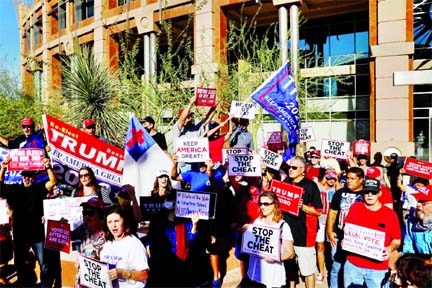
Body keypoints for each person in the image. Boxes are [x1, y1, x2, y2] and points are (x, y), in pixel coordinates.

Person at [0, 157, 57, 287]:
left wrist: (48, 166)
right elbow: (0, 185)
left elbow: (53, 181)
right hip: (20, 235)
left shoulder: (40, 188)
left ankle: (45, 285)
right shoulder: (14, 189)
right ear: (21, 177)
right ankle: (23, 285)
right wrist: (3, 169)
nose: (26, 178)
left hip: (38, 235)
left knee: (44, 264)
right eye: (24, 175)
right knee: (20, 264)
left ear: (34, 176)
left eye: (29, 175)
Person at [343, 178, 401, 287]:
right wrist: (345, 240)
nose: (370, 195)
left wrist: (389, 248)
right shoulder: (355, 208)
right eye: (366, 192)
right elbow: (346, 228)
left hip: (378, 269)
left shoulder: (390, 214)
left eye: (373, 192)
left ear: (379, 193)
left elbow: (397, 240)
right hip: (353, 265)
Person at [283, 156, 322, 288]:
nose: (290, 170)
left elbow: (318, 211)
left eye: (294, 167)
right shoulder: (285, 182)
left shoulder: (311, 185)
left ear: (302, 169)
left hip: (305, 235)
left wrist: (302, 207)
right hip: (287, 234)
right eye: (289, 167)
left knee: (307, 271)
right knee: (289, 268)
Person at [145, 193, 200, 287]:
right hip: (162, 261)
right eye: (170, 201)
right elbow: (151, 236)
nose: (173, 204)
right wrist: (148, 247)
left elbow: (191, 238)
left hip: (181, 260)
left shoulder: (185, 220)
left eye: (175, 202)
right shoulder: (158, 219)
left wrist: (195, 225)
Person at [245, 191, 295, 288]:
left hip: (272, 276)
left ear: (275, 205)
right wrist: (247, 231)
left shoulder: (283, 226)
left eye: (266, 204)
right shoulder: (258, 221)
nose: (262, 207)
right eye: (260, 203)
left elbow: (290, 253)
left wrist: (275, 258)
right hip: (255, 274)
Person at [326, 167, 364, 288]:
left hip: (357, 238)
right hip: (338, 236)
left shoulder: (366, 194)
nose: (349, 181)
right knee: (336, 266)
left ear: (361, 179)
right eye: (347, 178)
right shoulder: (339, 193)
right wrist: (329, 231)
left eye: (352, 179)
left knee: (354, 269)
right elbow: (332, 213)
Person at [100, 205, 150, 287]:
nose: (113, 225)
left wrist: (123, 273)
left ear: (124, 221)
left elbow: (144, 275)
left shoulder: (134, 244)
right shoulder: (107, 244)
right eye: (110, 222)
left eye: (116, 221)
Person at [71, 197, 106, 286]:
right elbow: (67, 235)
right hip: (83, 279)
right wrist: (50, 223)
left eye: (90, 213)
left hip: (99, 280)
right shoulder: (84, 228)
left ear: (100, 215)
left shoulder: (109, 234)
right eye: (84, 213)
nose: (86, 216)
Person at [315, 169, 338, 284]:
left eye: (333, 178)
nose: (331, 181)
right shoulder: (319, 187)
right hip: (320, 221)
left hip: (332, 222)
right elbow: (316, 184)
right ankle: (322, 272)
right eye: (329, 178)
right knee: (320, 246)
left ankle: (333, 270)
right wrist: (324, 178)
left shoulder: (337, 189)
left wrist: (337, 180)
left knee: (332, 247)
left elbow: (340, 189)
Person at [402, 188, 432, 255]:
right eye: (418, 201)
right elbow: (408, 248)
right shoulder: (412, 221)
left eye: (424, 202)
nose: (418, 204)